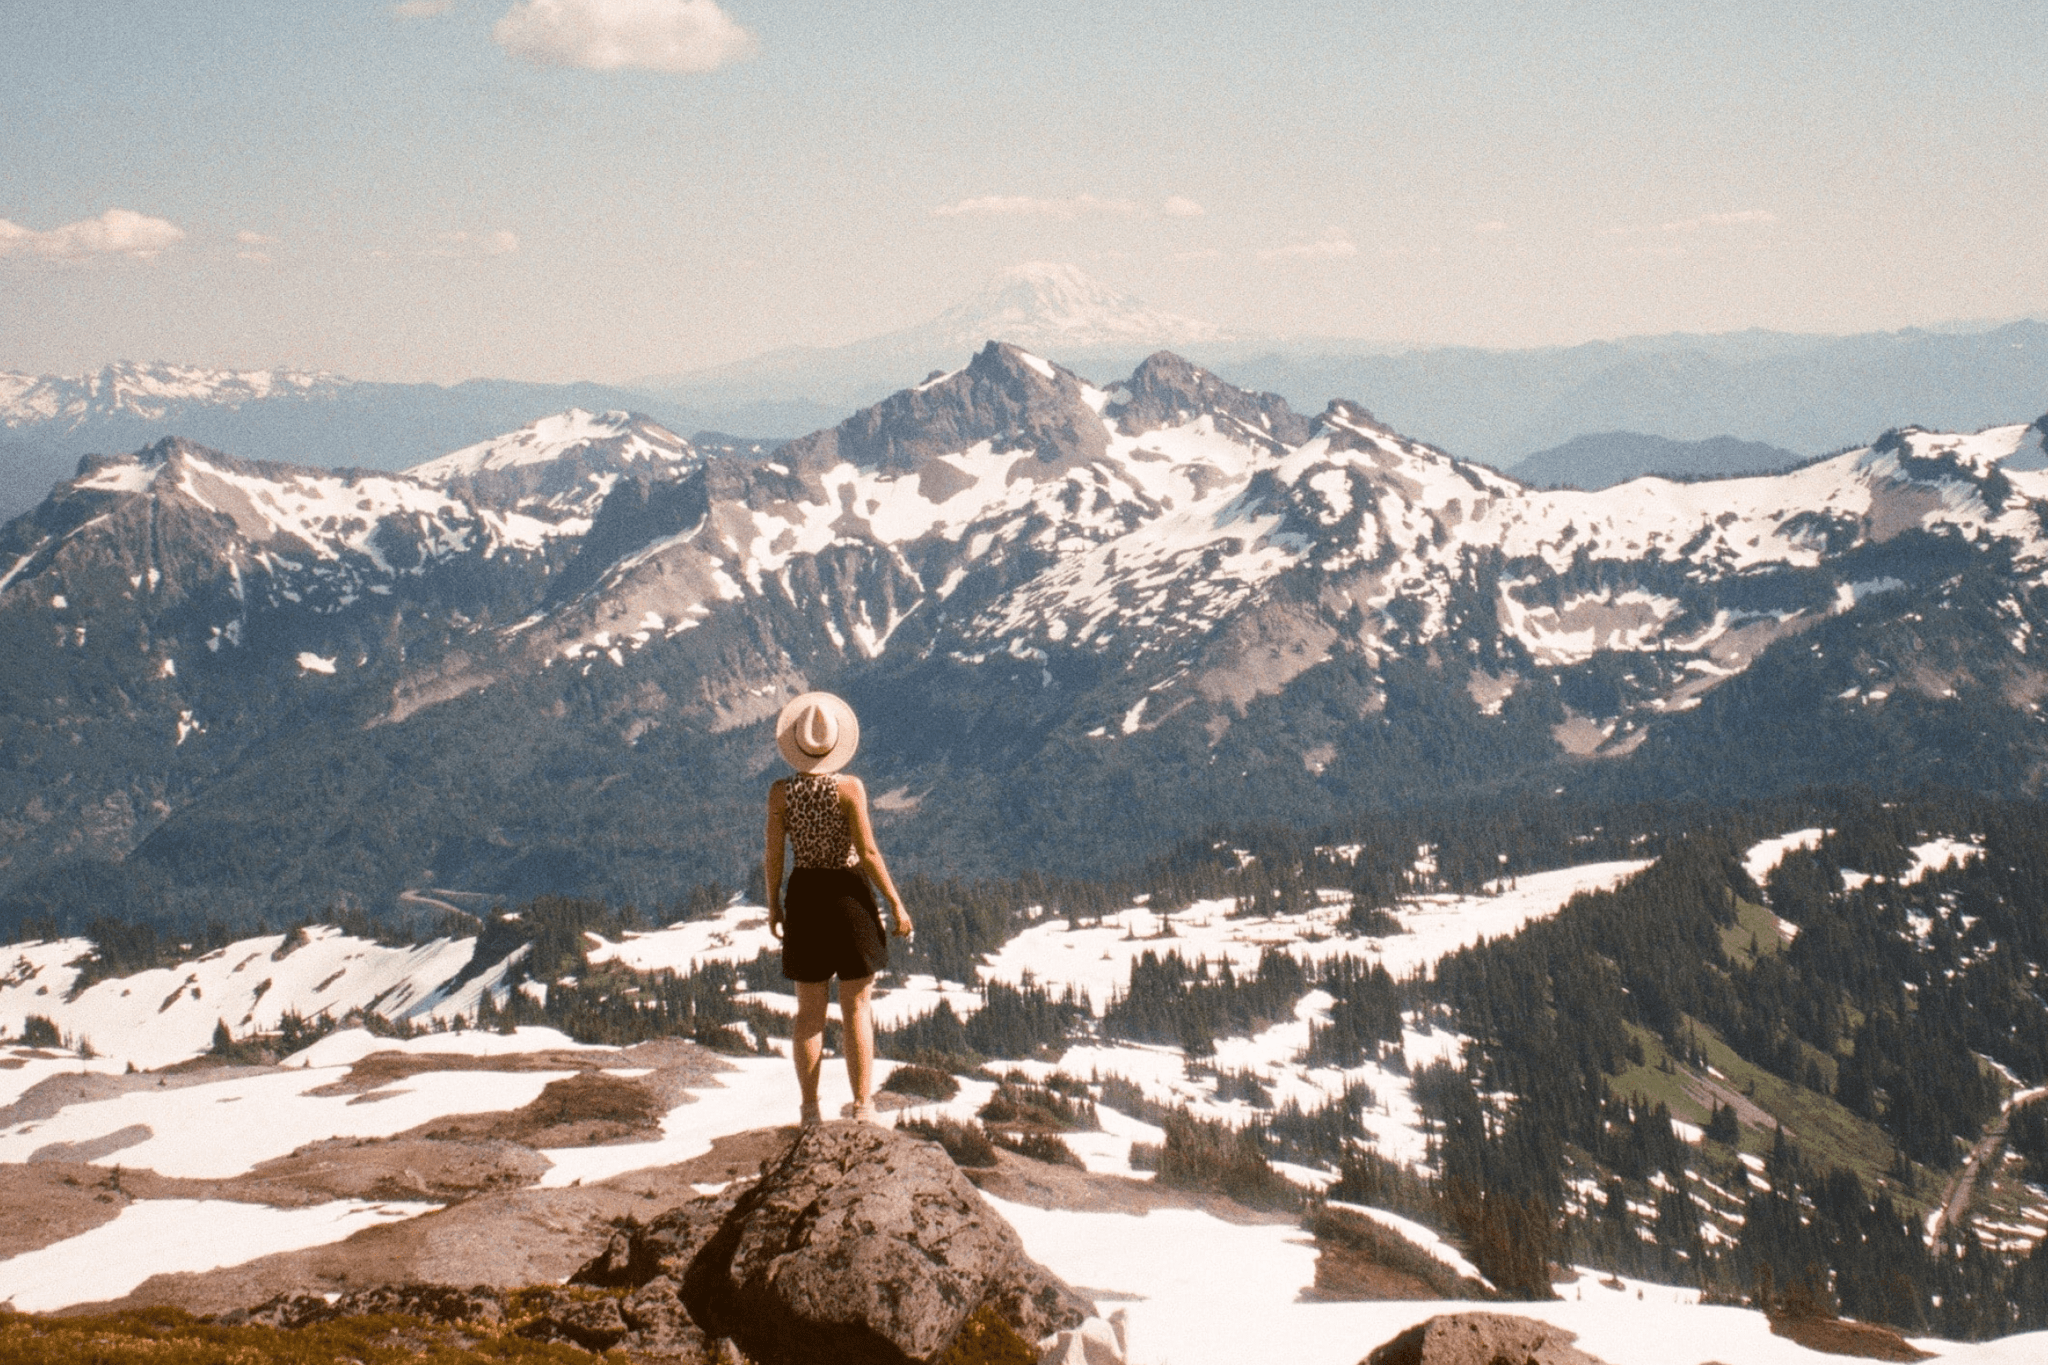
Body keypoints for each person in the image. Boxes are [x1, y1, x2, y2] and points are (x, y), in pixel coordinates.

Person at [764, 691, 911, 1125]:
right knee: (856, 1007)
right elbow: (866, 851)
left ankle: (810, 1110)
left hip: (805, 895)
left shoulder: (779, 794)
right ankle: (863, 1106)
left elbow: (774, 857)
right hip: (849, 894)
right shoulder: (849, 788)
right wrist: (896, 903)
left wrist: (773, 903)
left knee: (809, 1011)